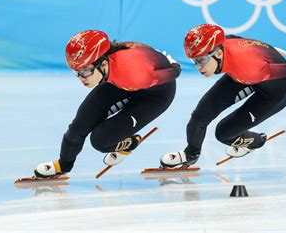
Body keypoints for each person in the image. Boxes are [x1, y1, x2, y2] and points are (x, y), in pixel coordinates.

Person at [34, 30, 181, 178]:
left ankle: (130, 143)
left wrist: (173, 64)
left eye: (85, 71)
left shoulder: (136, 73)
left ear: (103, 63)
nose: (81, 78)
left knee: (101, 140)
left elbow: (174, 72)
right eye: (77, 72)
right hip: (119, 82)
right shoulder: (105, 63)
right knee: (80, 125)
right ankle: (63, 165)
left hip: (154, 95)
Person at [160, 24, 286, 168]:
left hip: (275, 91)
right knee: (199, 117)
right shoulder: (223, 46)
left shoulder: (249, 69)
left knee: (224, 133)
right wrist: (268, 51)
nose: (197, 66)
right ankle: (191, 154)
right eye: (193, 61)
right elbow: (237, 39)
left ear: (219, 54)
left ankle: (256, 141)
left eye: (201, 60)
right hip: (243, 73)